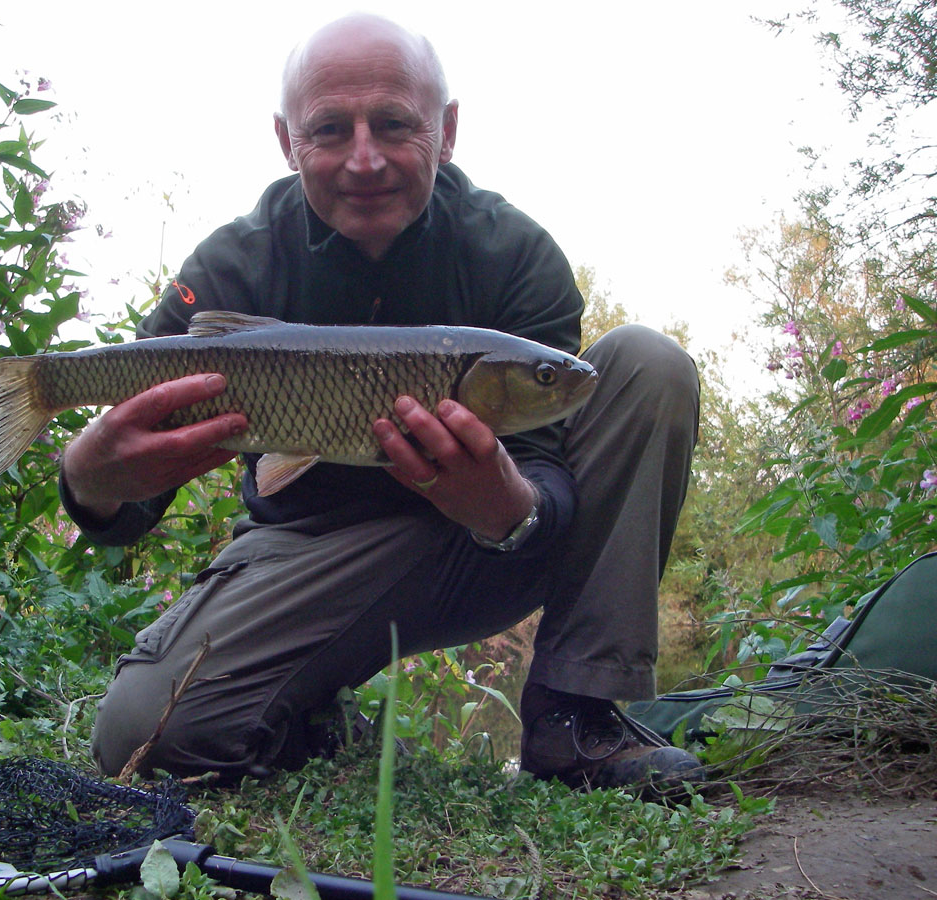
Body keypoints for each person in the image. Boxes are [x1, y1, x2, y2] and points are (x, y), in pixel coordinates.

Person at [60, 13, 702, 791]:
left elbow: (551, 476)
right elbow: (131, 501)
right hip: (309, 551)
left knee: (645, 362)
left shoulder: (516, 257)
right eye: (329, 129)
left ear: (447, 129)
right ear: (286, 140)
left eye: (394, 124)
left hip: (483, 544)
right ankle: (307, 710)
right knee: (141, 738)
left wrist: (503, 503)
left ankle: (575, 720)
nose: (364, 160)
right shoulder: (234, 263)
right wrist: (90, 477)